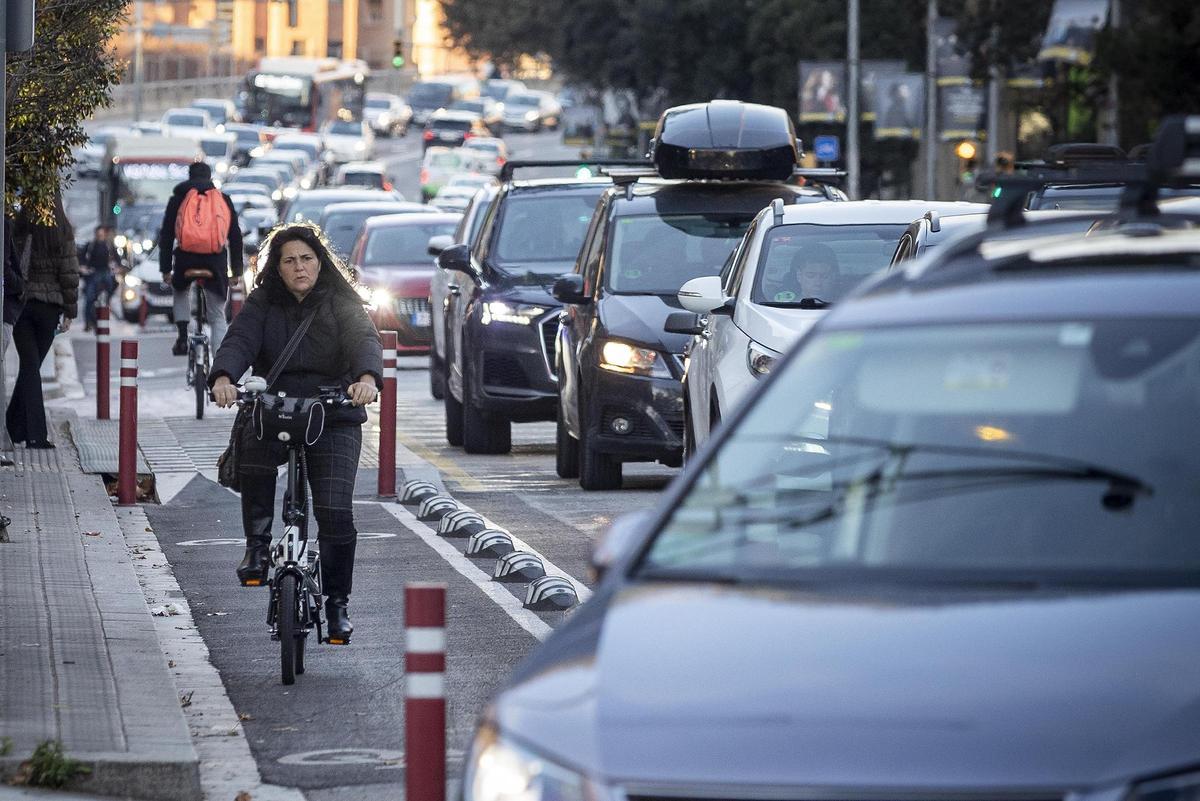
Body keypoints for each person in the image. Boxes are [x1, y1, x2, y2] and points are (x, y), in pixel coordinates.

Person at [209, 223, 381, 643]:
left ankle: (338, 603)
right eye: (289, 260)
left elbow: (364, 341)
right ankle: (257, 545)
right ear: (277, 268)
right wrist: (224, 377)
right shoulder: (262, 302)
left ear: (320, 263)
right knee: (252, 441)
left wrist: (366, 379)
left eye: (307, 258)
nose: (299, 267)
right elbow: (239, 340)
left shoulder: (342, 302)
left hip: (334, 412)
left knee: (336, 511)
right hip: (278, 408)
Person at [7, 192, 78, 449]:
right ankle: (35, 434)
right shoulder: (63, 229)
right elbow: (69, 273)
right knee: (31, 367)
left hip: (23, 304)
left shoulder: (20, 224)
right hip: (50, 307)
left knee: (29, 365)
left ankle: (15, 428)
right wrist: (70, 311)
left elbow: (11, 262)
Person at [159, 161, 243, 357]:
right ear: (209, 177)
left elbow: (166, 235)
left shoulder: (179, 198)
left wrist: (165, 270)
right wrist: (236, 271)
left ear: (189, 177)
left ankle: (181, 336)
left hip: (185, 260)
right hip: (215, 262)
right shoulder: (223, 199)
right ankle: (219, 364)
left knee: (180, 290)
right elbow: (235, 237)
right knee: (217, 315)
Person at [79, 225, 119, 332]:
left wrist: (116, 268)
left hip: (105, 272)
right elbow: (81, 259)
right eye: (98, 234)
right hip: (93, 273)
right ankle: (88, 322)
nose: (100, 236)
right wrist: (83, 268)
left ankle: (102, 316)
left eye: (102, 234)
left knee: (110, 290)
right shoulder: (90, 246)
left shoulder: (109, 246)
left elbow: (117, 260)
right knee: (89, 298)